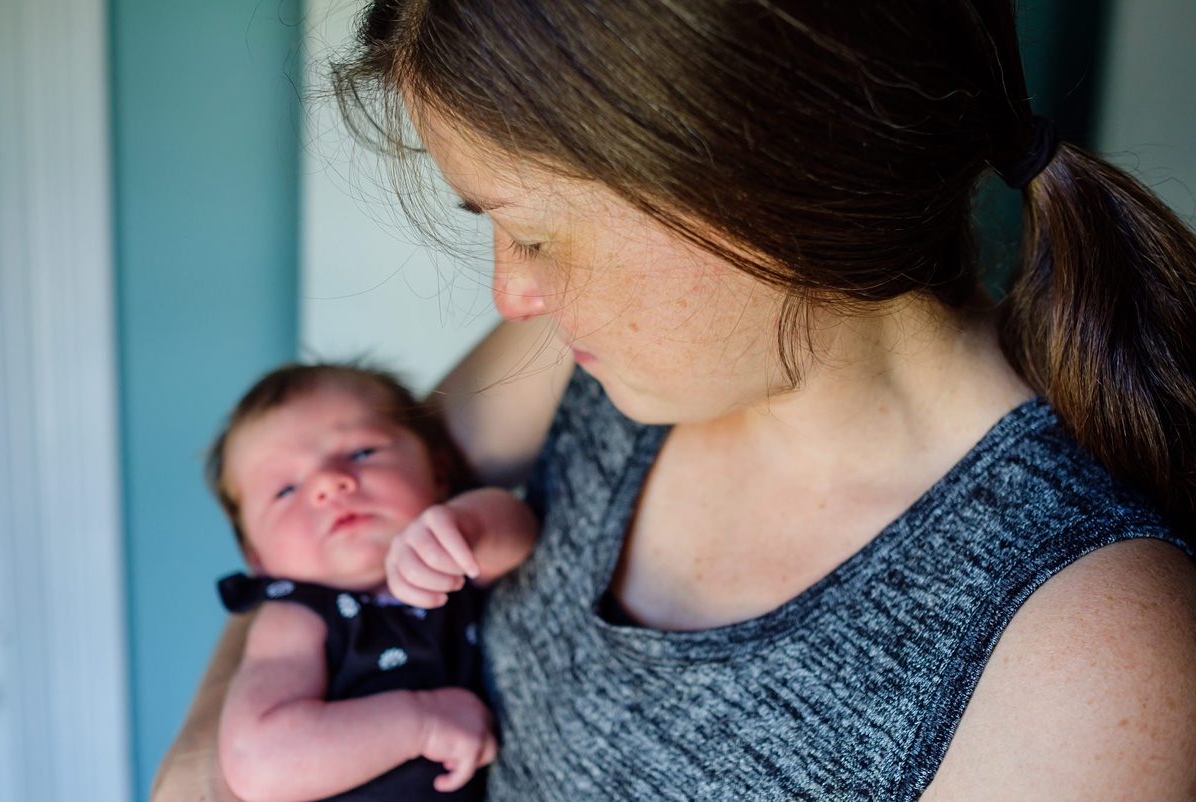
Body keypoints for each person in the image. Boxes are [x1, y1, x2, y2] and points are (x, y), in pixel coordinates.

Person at [153, 2, 1196, 800]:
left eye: (541, 232)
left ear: (761, 191)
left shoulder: (1086, 650)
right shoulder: (579, 353)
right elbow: (317, 546)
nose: (512, 292)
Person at [204, 363, 537, 802]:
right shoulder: (298, 618)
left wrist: (469, 525)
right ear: (258, 560)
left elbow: (523, 536)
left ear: (438, 474)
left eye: (361, 452)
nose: (328, 482)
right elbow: (257, 762)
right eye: (285, 490)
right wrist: (424, 720)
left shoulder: (453, 554)